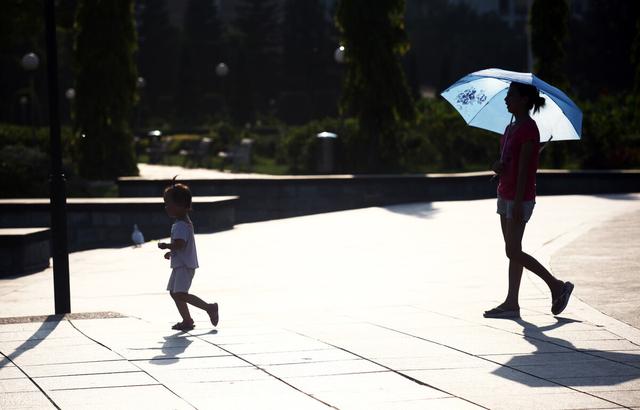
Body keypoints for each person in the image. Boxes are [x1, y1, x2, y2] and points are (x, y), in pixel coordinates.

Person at [484, 82, 574, 319]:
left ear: (524, 99)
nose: (506, 99)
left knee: (513, 250)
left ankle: (557, 286)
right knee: (512, 251)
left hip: (518, 197)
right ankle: (512, 302)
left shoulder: (529, 130)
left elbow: (525, 171)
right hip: (505, 193)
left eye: (511, 95)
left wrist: (516, 202)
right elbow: (509, 164)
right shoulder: (510, 128)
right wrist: (497, 167)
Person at [158, 178, 219, 330]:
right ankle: (187, 320)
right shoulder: (183, 222)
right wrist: (172, 253)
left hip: (184, 266)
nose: (166, 207)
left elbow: (180, 244)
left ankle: (209, 308)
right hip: (181, 264)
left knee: (180, 293)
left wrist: (167, 246)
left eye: (169, 204)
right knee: (174, 292)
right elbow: (180, 246)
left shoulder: (180, 225)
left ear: (181, 205)